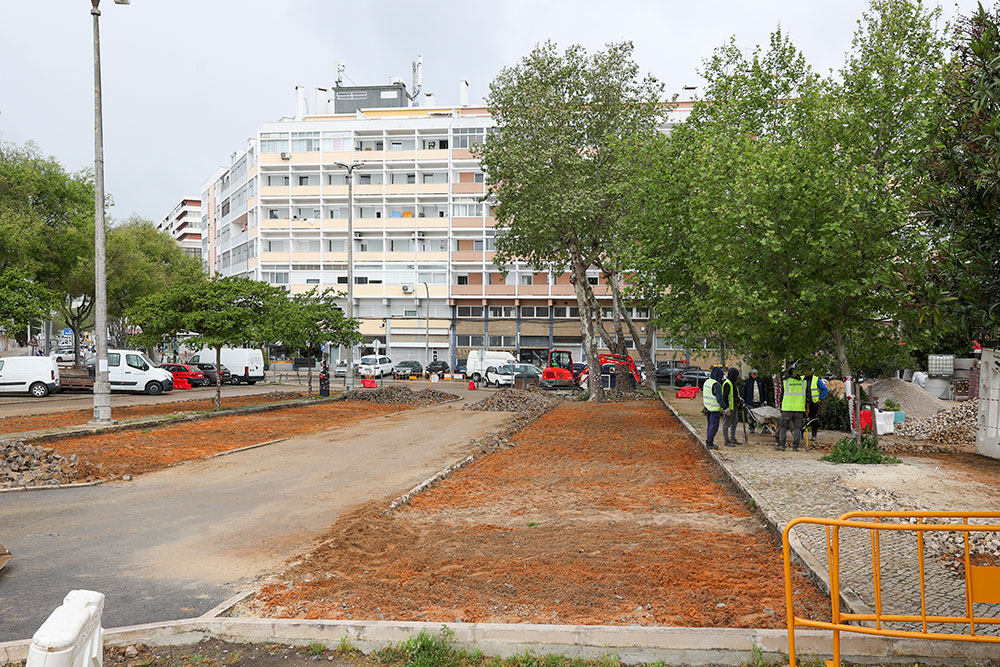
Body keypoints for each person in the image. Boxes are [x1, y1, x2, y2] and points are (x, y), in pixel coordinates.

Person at [777, 369, 807, 451]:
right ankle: (795, 447)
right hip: (799, 409)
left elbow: (781, 396)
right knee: (797, 428)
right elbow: (807, 396)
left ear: (789, 374)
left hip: (787, 408)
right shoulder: (803, 382)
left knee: (783, 427)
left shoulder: (786, 382)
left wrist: (781, 406)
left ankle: (782, 445)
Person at [702, 366, 726, 450]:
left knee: (710, 426)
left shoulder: (707, 382)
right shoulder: (716, 385)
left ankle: (709, 441)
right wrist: (725, 407)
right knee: (714, 427)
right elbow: (719, 398)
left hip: (708, 408)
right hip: (714, 409)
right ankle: (709, 443)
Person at [802, 369, 828, 440]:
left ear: (811, 371)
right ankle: (801, 434)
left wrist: (820, 399)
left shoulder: (816, 379)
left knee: (814, 419)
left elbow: (825, 389)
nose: (807, 372)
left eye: (809, 370)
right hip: (802, 402)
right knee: (802, 419)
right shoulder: (801, 378)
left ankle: (814, 435)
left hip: (813, 402)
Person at [721, 367, 742, 446]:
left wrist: (740, 400)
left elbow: (735, 395)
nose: (737, 377)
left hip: (734, 406)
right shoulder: (727, 383)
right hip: (730, 407)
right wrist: (726, 408)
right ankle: (727, 441)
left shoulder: (733, 383)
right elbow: (725, 397)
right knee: (726, 424)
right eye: (736, 375)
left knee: (734, 423)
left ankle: (733, 439)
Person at [743, 368, 767, 433]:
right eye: (753, 374)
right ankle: (751, 427)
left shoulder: (761, 381)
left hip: (759, 402)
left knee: (762, 416)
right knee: (749, 416)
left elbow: (763, 391)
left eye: (755, 374)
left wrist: (765, 399)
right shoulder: (747, 382)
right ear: (751, 374)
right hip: (750, 402)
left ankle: (764, 428)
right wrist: (744, 401)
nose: (754, 375)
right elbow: (744, 392)